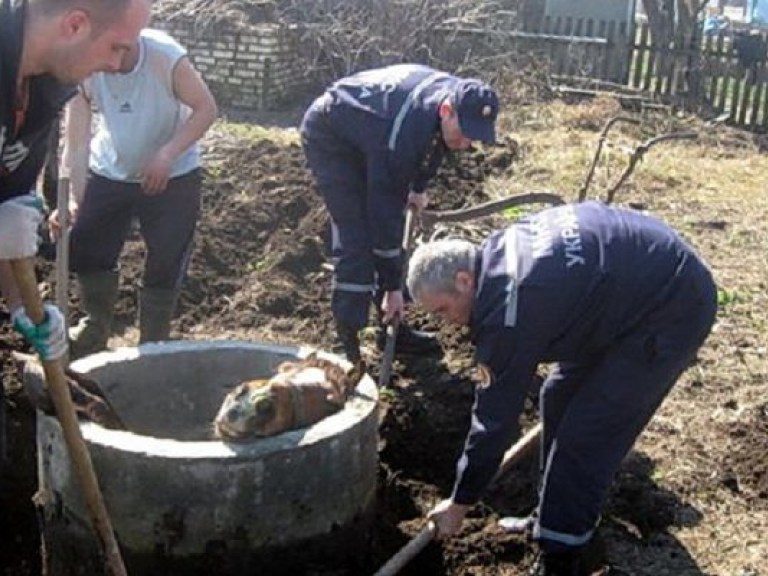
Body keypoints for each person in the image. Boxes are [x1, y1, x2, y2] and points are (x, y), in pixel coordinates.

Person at [405, 201, 718, 575]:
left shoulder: (509, 310)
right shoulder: (496, 252)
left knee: (586, 433)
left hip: (670, 306)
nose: (450, 323)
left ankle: (562, 556)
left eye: (443, 310)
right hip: (622, 297)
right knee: (556, 396)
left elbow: (493, 421)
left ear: (463, 280)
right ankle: (552, 518)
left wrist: (460, 503)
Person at [300, 63, 499, 363]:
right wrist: (393, 286)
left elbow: (435, 144)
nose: (467, 143)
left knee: (385, 236)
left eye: (474, 136)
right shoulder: (401, 136)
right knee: (357, 234)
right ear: (446, 110)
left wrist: (418, 185)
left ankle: (392, 326)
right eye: (465, 133)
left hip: (371, 129)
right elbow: (385, 213)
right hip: (332, 135)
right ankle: (347, 342)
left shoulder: (460, 96)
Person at [52, 28, 217, 357]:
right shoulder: (84, 67)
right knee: (89, 243)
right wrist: (73, 198)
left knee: (166, 256)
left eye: (116, 54)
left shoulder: (164, 56)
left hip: (174, 174)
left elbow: (206, 108)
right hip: (111, 169)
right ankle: (95, 325)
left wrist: (167, 155)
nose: (108, 64)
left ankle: (154, 339)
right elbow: (77, 139)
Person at [0, 0, 150, 360]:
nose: (115, 66)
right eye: (116, 47)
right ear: (75, 25)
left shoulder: (42, 91)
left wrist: (22, 304)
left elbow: (6, 221)